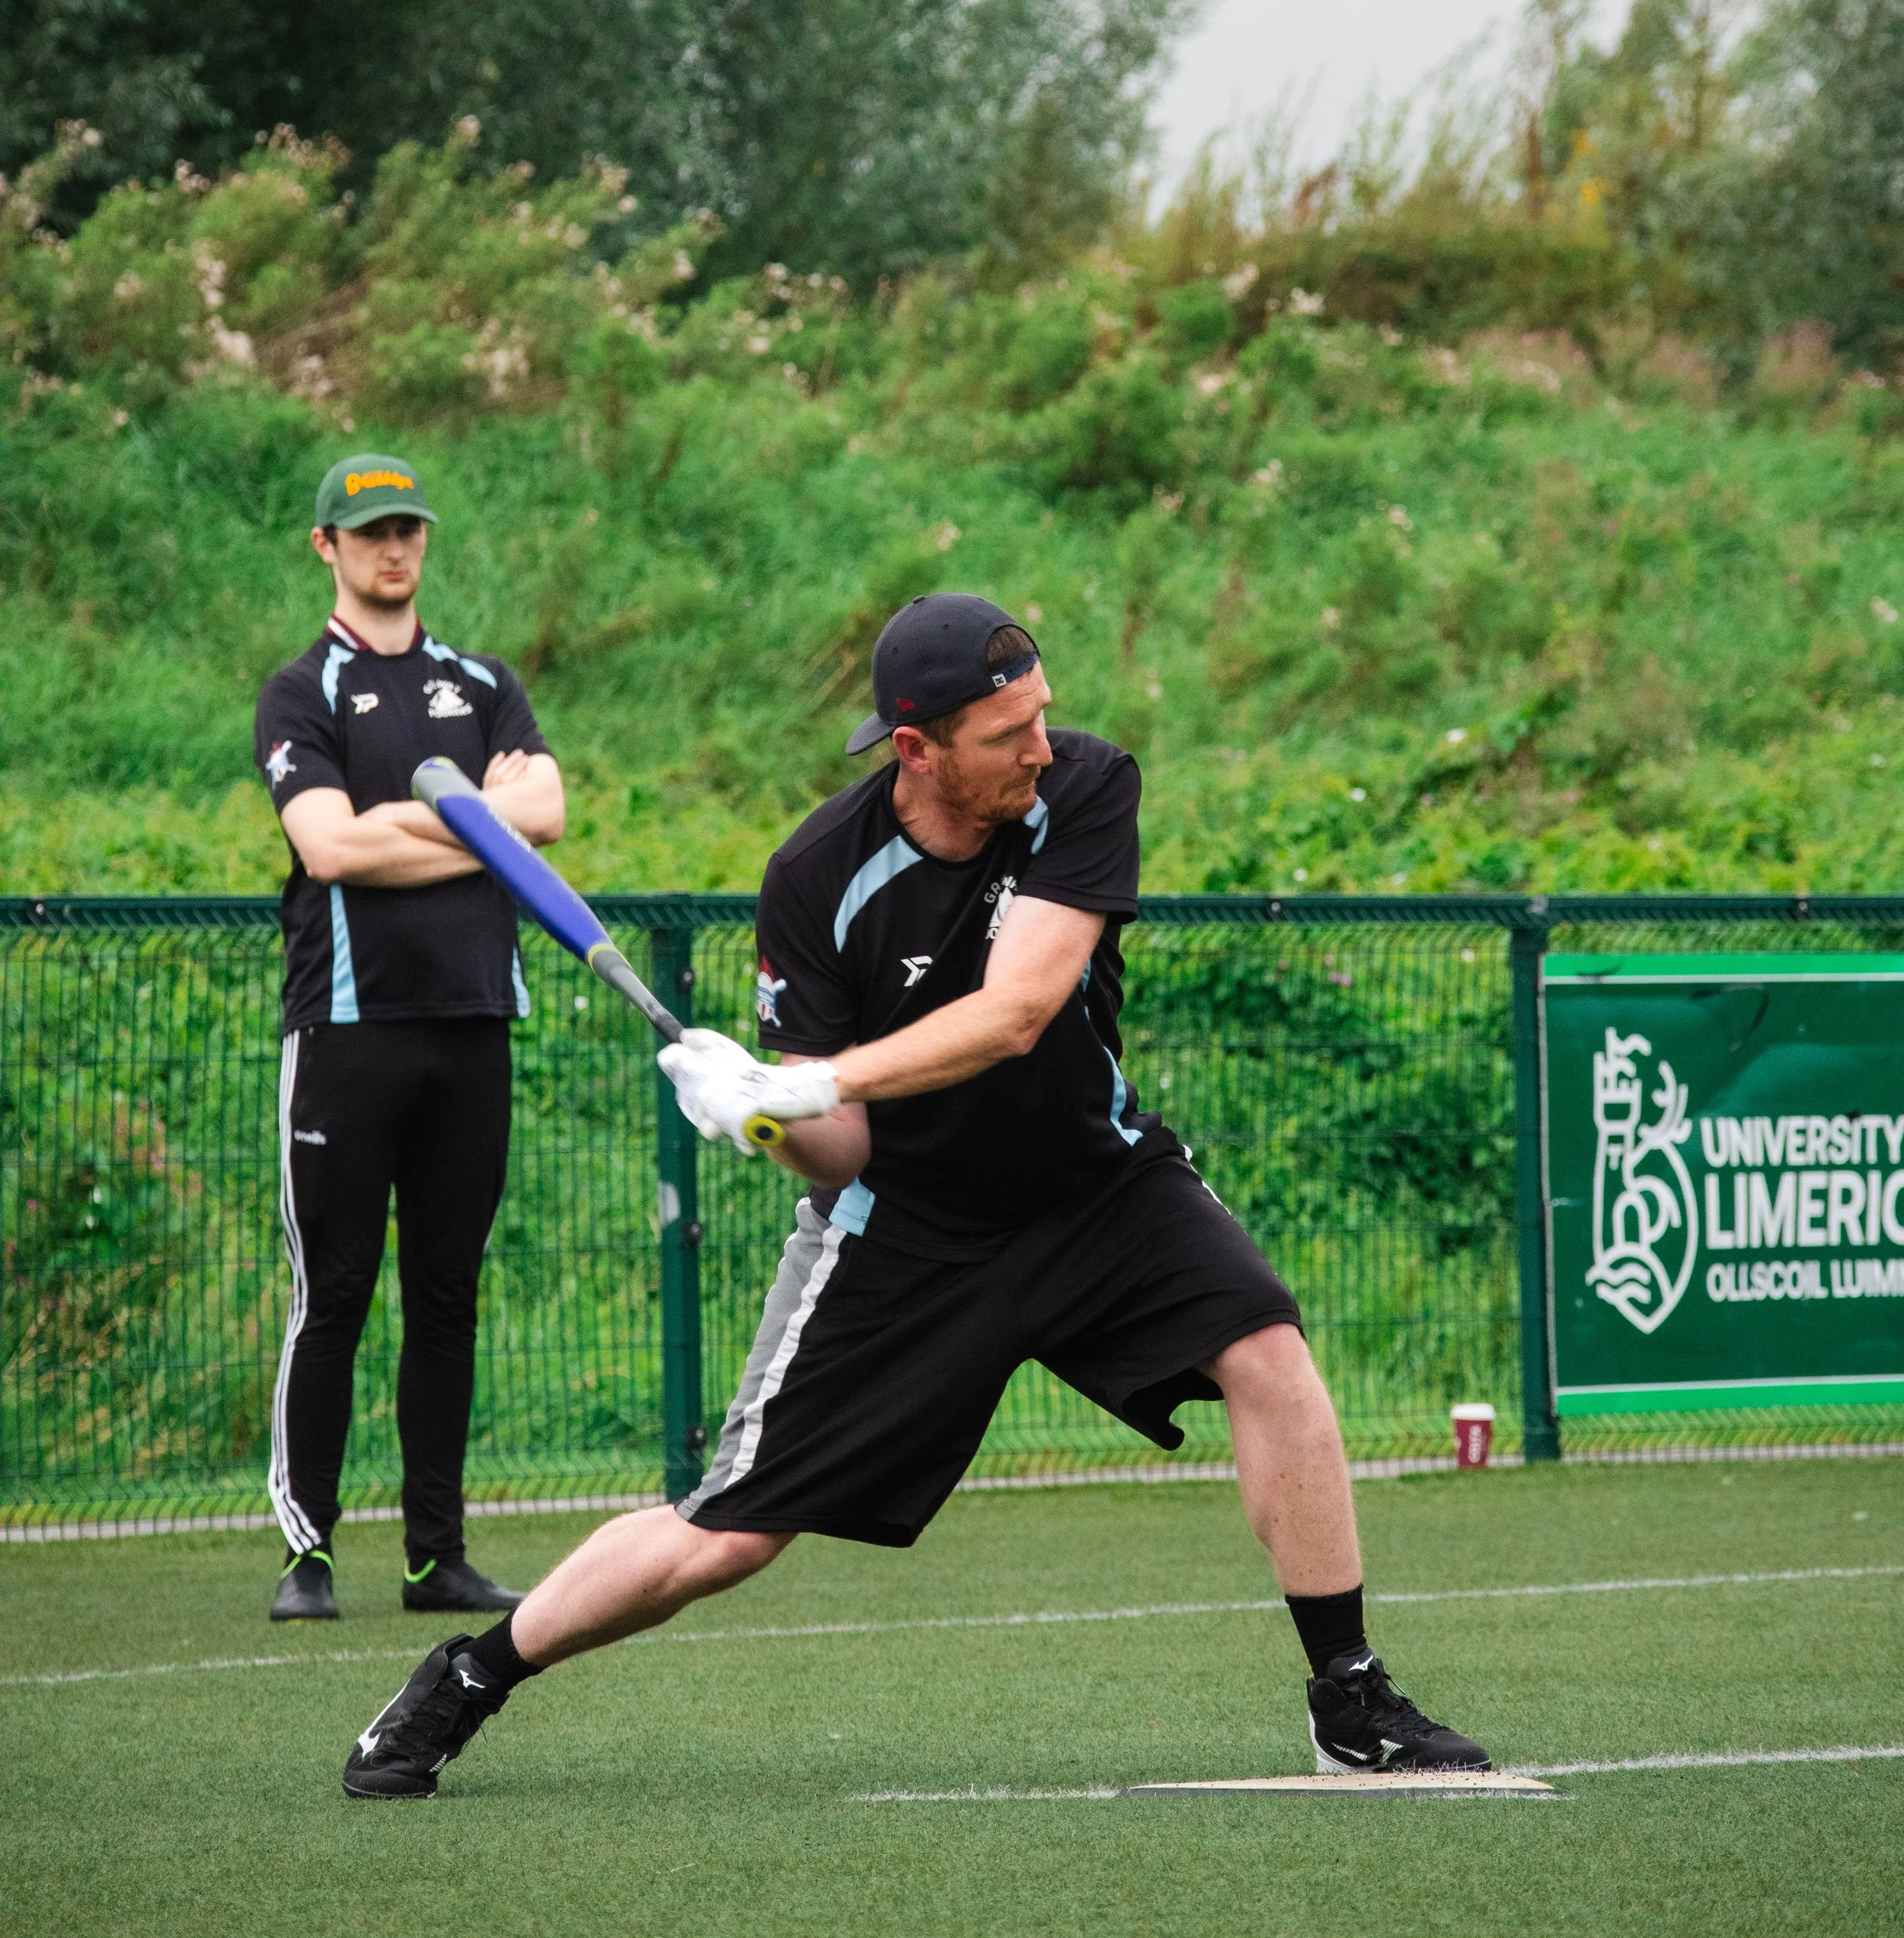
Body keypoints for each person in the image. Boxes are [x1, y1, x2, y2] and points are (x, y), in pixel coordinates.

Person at [341, 592, 1488, 1796]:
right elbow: (841, 1152)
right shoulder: (817, 878)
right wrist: (763, 1110)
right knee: (725, 1533)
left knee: (1270, 1353)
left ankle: (1349, 1699)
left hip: (1099, 1186)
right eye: (1005, 735)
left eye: (1041, 715)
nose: (1039, 747)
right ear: (916, 748)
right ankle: (471, 1673)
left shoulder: (1083, 789)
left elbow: (1020, 1010)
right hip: (908, 1232)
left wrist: (806, 1074)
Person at [254, 452, 564, 1624]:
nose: (395, 548)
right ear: (327, 546)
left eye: (410, 530)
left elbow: (545, 817)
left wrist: (417, 820)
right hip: (348, 1027)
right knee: (332, 1292)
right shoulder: (301, 693)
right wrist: (469, 822)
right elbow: (327, 847)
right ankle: (308, 1551)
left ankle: (438, 1554)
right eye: (370, 531)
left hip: (473, 1024)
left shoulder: (482, 682)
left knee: (448, 1294)